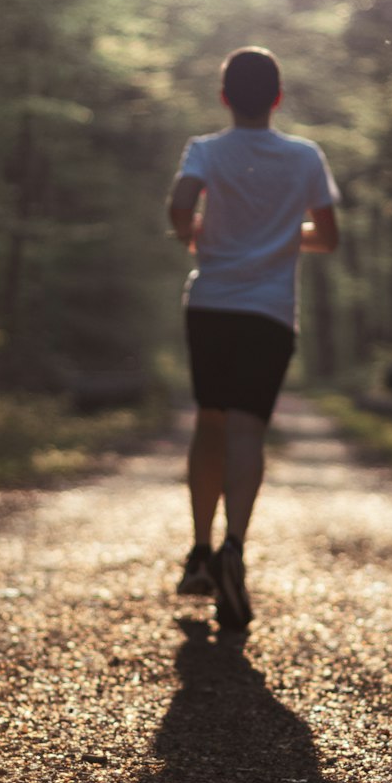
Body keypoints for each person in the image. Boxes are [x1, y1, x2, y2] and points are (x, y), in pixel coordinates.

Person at [167, 46, 340, 630]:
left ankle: (198, 551)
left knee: (209, 421)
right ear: (277, 97)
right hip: (268, 313)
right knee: (247, 429)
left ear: (223, 98)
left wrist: (194, 234)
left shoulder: (206, 151)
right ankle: (234, 548)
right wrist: (284, 235)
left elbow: (179, 206)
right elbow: (329, 236)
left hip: (212, 306)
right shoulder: (304, 157)